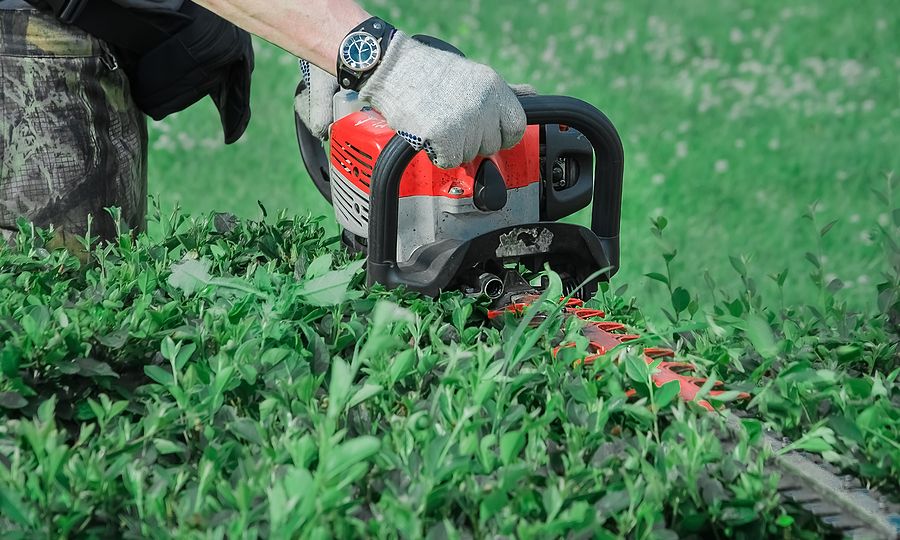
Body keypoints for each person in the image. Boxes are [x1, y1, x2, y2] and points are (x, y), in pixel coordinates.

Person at [0, 0, 526, 243]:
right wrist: (379, 59)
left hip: (74, 34)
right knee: (70, 345)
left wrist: (317, 32)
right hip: (27, 47)